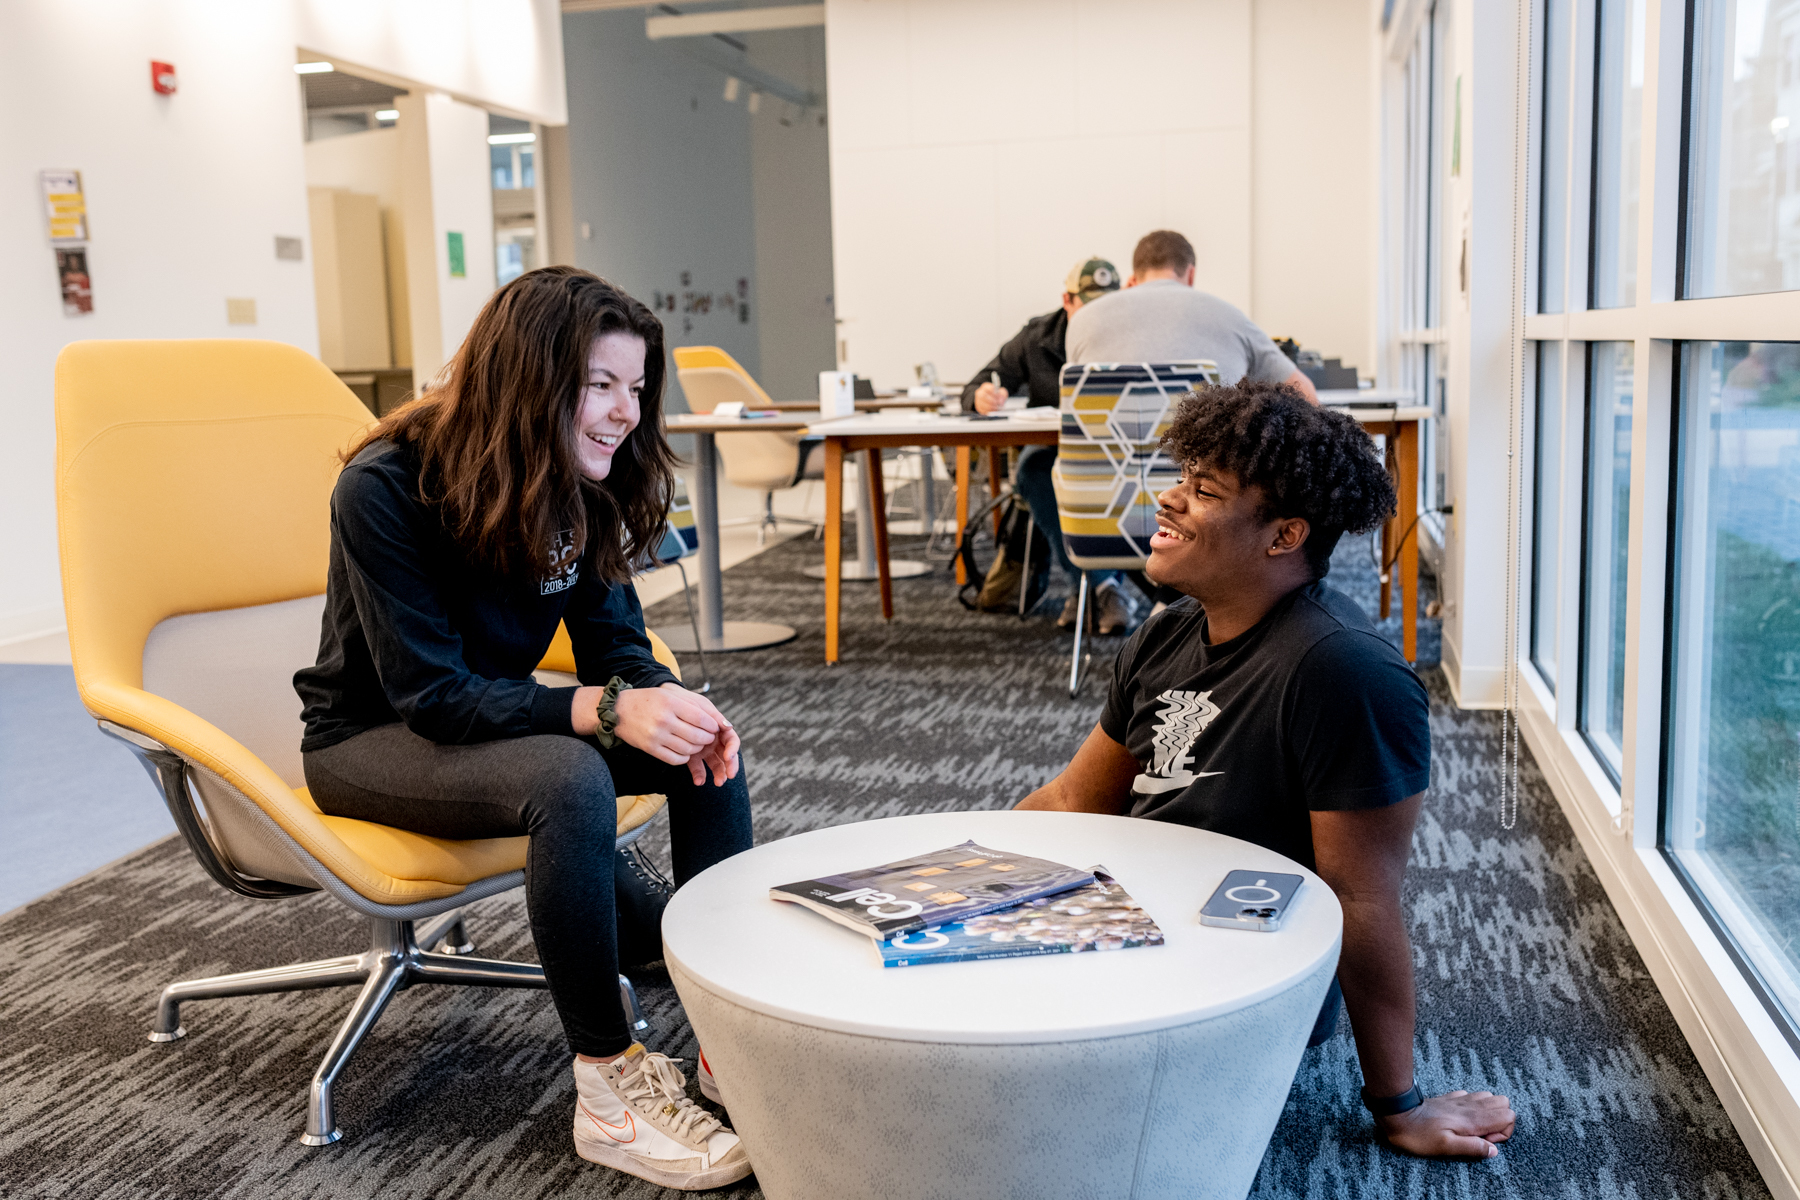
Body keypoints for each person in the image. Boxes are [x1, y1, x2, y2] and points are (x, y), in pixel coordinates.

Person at [294, 266, 754, 1189]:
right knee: (567, 777)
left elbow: (616, 646)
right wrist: (601, 710)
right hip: (370, 743)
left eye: (635, 389)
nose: (626, 414)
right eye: (600, 386)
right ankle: (609, 1086)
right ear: (529, 378)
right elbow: (433, 696)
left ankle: (728, 1044)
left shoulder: (580, 481)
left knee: (704, 758)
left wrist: (665, 703)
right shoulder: (383, 488)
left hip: (484, 728)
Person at [1017, 380, 1518, 1160]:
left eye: (1203, 491)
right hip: (1135, 908)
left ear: (1284, 536)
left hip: (1232, 961)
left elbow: (1363, 895)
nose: (1171, 501)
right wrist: (960, 874)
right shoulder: (1167, 635)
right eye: (1181, 479)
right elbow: (1074, 800)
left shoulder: (1347, 674)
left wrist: (1399, 1106)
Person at [960, 257, 1136, 634]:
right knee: (1031, 469)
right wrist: (982, 396)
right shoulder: (1037, 335)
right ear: (1067, 300)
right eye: (1088, 306)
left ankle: (1087, 589)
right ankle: (1104, 588)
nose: (1097, 315)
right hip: (1058, 452)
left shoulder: (1134, 331)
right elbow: (977, 384)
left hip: (1119, 450)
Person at [1066, 230, 1319, 405]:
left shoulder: (1083, 320)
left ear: (1135, 275)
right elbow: (1306, 397)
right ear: (1191, 274)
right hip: (1204, 480)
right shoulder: (1230, 317)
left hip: (1106, 478)